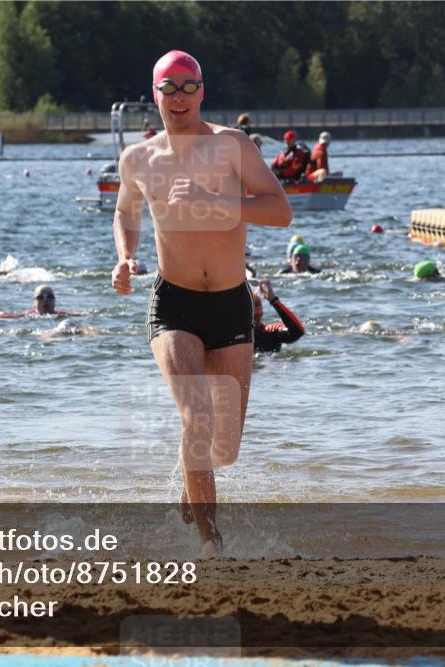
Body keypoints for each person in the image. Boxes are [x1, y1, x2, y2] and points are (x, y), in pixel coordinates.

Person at [110, 50, 292, 555]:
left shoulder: (231, 145)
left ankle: (189, 477)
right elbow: (126, 214)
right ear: (155, 95)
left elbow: (281, 212)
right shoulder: (139, 159)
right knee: (197, 416)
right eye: (168, 88)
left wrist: (218, 202)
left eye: (188, 86)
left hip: (232, 304)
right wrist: (125, 258)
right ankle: (211, 542)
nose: (179, 97)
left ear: (202, 92)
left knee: (223, 446)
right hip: (174, 304)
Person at [252, 279, 304, 353]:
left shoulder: (270, 332)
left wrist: (274, 301)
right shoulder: (232, 334)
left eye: (255, 317)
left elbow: (298, 332)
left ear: (261, 314)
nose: (252, 322)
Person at [0, 284, 88, 318]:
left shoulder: (61, 314)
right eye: (41, 297)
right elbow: (9, 316)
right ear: (34, 301)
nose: (46, 300)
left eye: (50, 297)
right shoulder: (29, 315)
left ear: (55, 301)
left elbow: (81, 314)